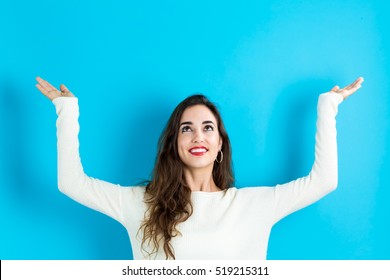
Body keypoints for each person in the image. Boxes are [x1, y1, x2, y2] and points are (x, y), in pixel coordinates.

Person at [36, 76, 364, 260]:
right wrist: (66, 110)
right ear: (174, 144)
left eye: (208, 128)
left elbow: (324, 181)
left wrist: (328, 107)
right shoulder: (140, 203)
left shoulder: (253, 205)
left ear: (220, 144)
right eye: (186, 128)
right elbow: (72, 183)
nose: (198, 136)